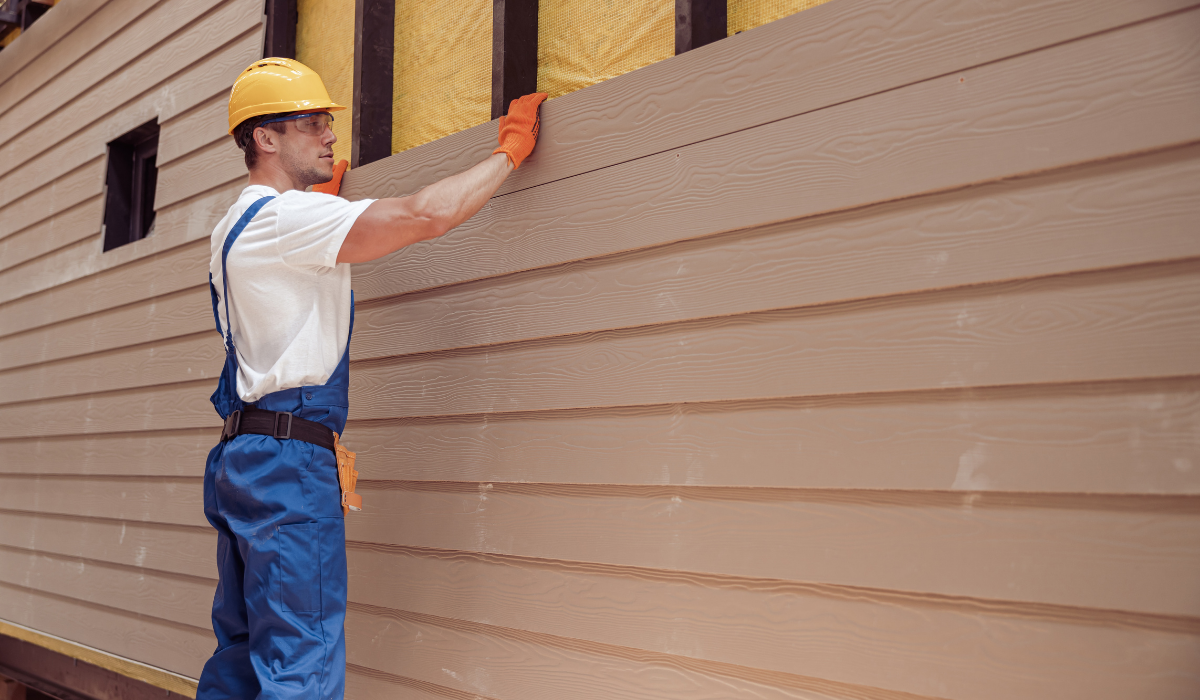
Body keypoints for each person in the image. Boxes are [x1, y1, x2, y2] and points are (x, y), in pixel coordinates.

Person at [197, 57, 546, 699]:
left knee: (245, 655)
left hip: (242, 458)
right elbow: (422, 216)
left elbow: (283, 286)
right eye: (310, 122)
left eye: (328, 120)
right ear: (265, 138)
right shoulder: (285, 221)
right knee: (303, 659)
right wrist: (510, 151)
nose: (330, 134)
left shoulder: (234, 227)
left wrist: (320, 203)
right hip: (289, 465)